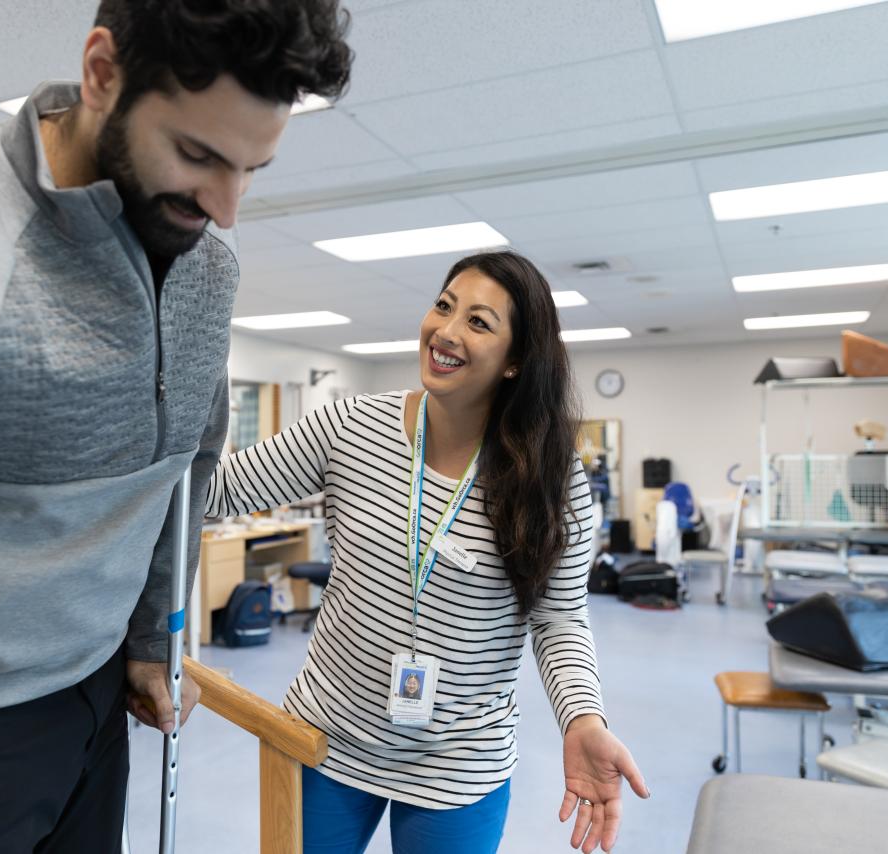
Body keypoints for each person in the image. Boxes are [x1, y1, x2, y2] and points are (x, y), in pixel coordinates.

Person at [0, 2, 351, 851]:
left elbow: (185, 468)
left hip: (94, 697)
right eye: (197, 155)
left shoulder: (205, 269)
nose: (226, 209)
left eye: (252, 168)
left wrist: (152, 638)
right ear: (100, 73)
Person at [204, 251, 649, 854]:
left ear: (516, 361)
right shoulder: (349, 426)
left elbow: (559, 617)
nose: (446, 331)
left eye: (478, 322)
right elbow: (219, 492)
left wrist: (583, 718)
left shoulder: (551, 478)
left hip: (460, 761)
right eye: (444, 306)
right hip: (327, 736)